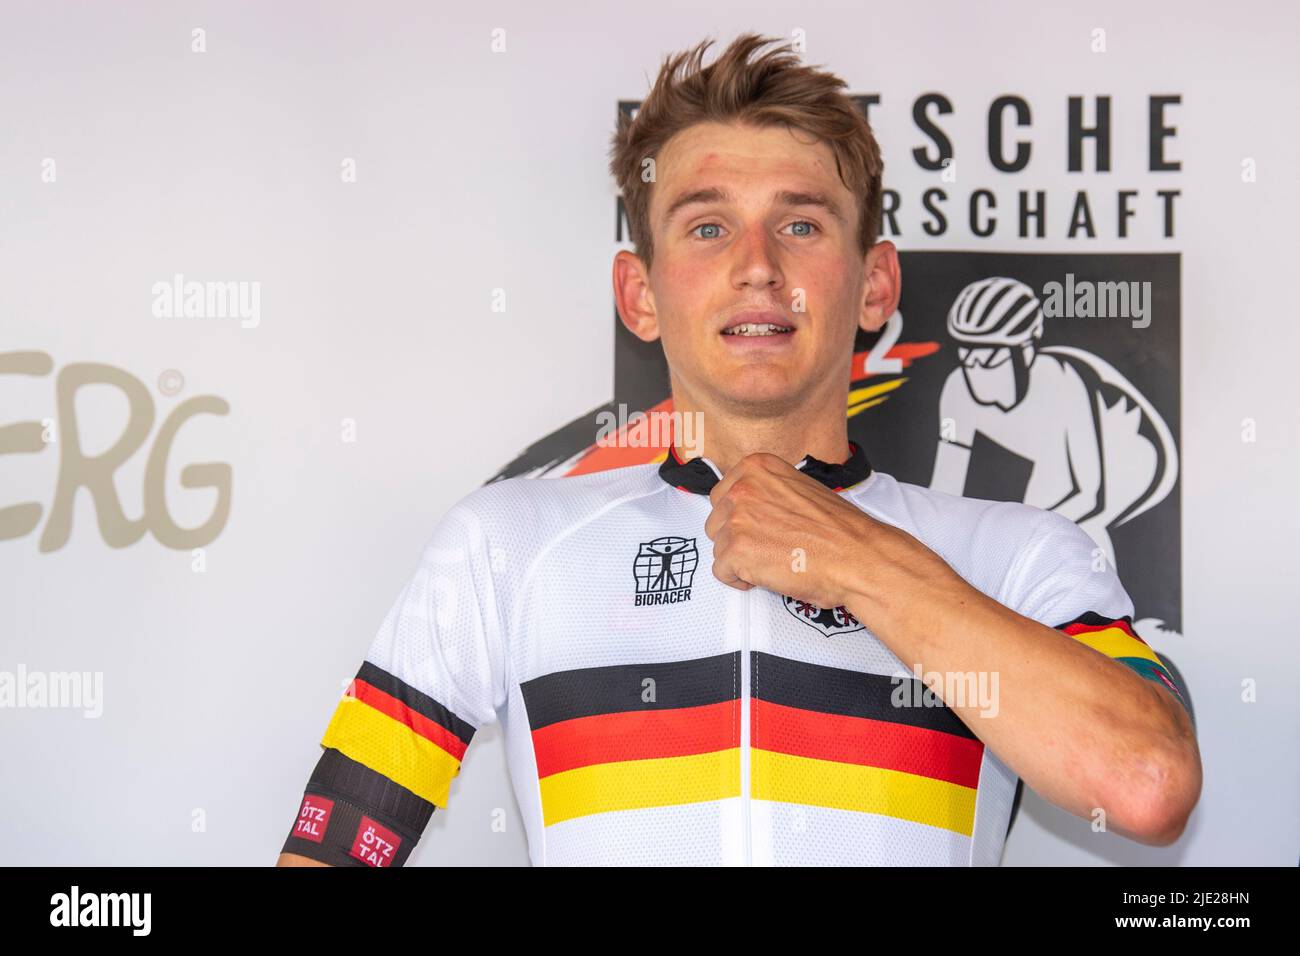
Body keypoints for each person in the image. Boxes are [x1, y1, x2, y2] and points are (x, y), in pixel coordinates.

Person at [277, 32, 1200, 867]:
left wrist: (853, 555)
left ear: (876, 286)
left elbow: (1147, 787)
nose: (757, 264)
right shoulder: (506, 547)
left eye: (801, 224)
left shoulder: (1018, 555)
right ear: (639, 296)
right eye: (708, 226)